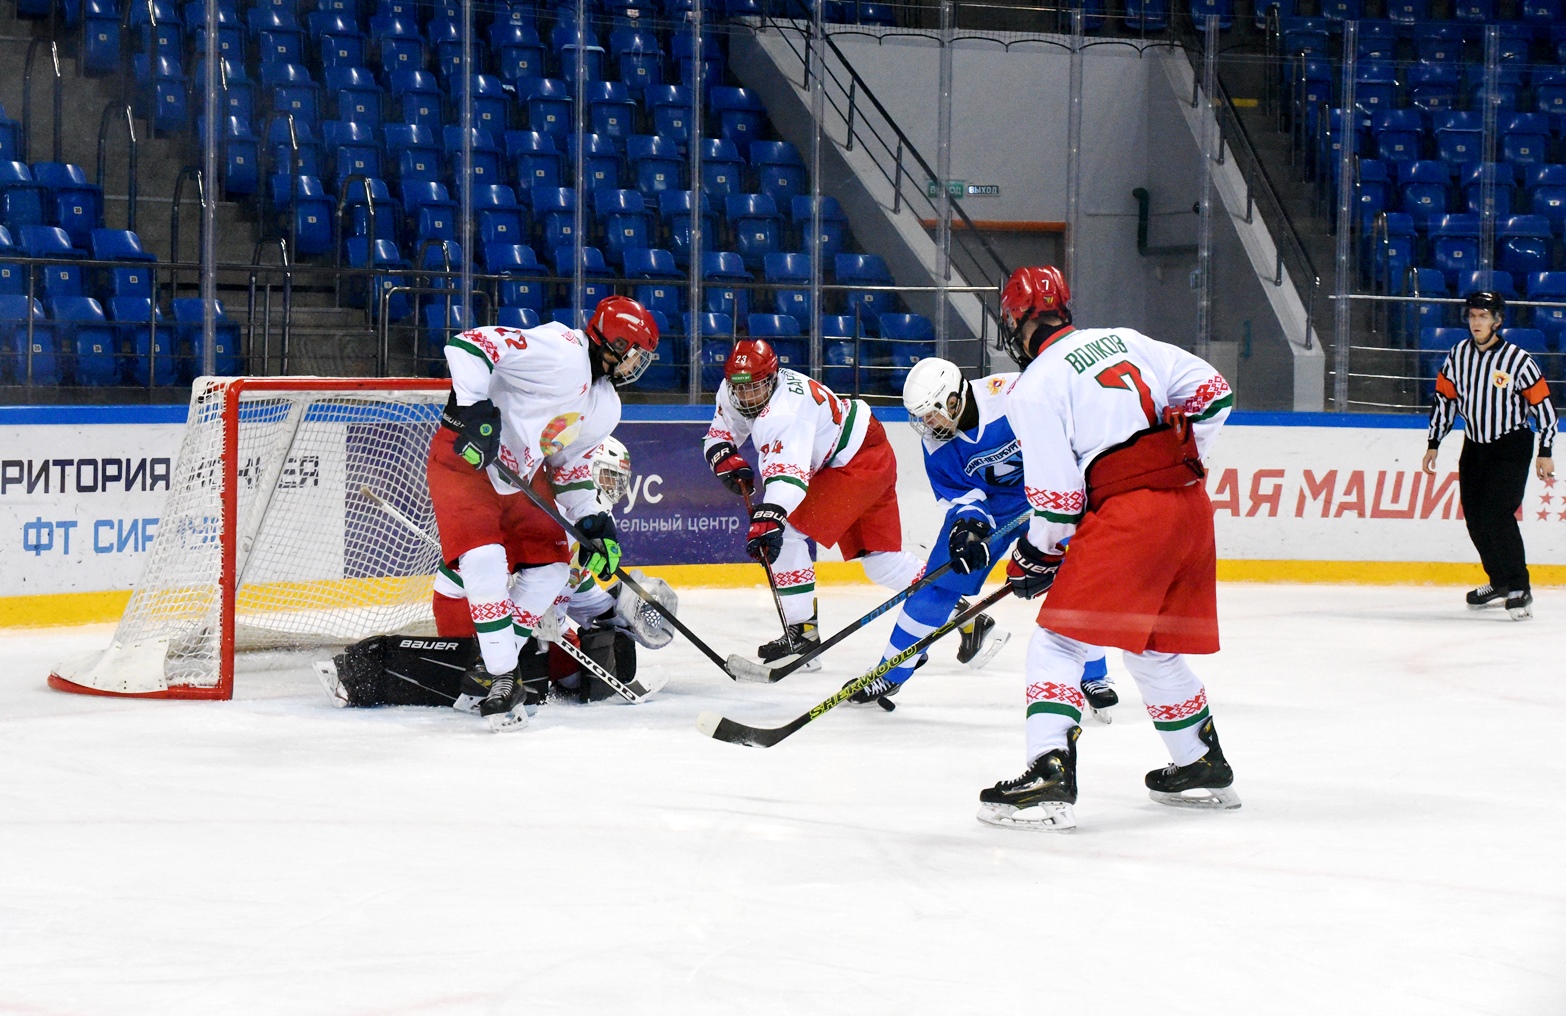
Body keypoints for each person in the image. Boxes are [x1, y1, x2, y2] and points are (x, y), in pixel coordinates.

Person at [978, 265, 1239, 831]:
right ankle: (1199, 761)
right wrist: (1167, 455)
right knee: (1151, 645)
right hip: (1188, 508)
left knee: (1058, 641)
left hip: (1132, 518)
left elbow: (1059, 502)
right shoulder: (1125, 340)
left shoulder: (1035, 385)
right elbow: (1214, 394)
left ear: (1016, 321)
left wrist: (1034, 556)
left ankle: (1048, 775)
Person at [429, 295, 659, 727]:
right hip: (465, 461)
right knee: (484, 561)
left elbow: (567, 466)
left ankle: (489, 665)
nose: (637, 364)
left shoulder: (606, 405)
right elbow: (468, 345)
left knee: (552, 569)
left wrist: (593, 520)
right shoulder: (560, 351)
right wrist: (473, 408)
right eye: (636, 354)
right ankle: (503, 678)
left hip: (518, 475)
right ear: (616, 345)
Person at [845, 356, 1116, 718]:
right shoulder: (936, 443)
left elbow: (1070, 431)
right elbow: (962, 495)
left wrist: (1074, 480)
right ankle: (890, 672)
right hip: (996, 509)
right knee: (937, 586)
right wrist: (968, 528)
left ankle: (1095, 674)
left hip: (1048, 493)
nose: (927, 425)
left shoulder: (1013, 395)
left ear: (953, 399)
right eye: (921, 418)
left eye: (931, 415)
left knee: (1077, 575)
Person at [322, 437, 678, 711]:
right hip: (469, 601)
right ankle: (366, 672)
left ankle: (501, 671)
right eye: (606, 477)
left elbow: (576, 591)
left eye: (618, 481)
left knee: (569, 670)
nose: (612, 489)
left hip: (519, 615)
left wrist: (620, 611)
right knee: (523, 667)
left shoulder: (584, 526)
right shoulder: (546, 511)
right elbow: (513, 579)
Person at [702, 338, 925, 667]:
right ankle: (960, 612)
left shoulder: (786, 412)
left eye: (755, 387)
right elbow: (721, 433)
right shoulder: (735, 388)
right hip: (862, 450)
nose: (747, 396)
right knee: (883, 563)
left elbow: (789, 481)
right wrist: (723, 458)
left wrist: (769, 518)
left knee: (784, 532)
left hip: (853, 463)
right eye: (740, 389)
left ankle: (803, 634)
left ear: (772, 379)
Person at [1422, 290, 1556, 621]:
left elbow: (1544, 407)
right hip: (1475, 446)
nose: (1476, 322)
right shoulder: (1457, 356)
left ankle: (1519, 586)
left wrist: (1545, 450)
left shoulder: (1518, 360)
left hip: (1511, 445)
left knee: (1498, 514)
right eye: (1472, 316)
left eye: (1483, 316)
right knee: (1476, 517)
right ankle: (1499, 582)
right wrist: (1434, 442)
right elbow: (1444, 400)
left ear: (1497, 321)